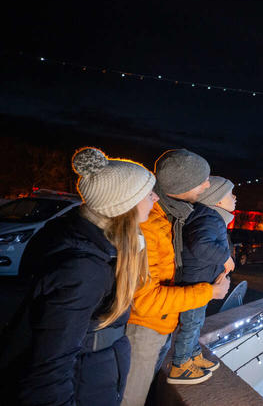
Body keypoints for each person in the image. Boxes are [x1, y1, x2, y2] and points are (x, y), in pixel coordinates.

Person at [1, 147, 157, 405]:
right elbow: (48, 371)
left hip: (94, 377)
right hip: (84, 386)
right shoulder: (84, 268)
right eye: (147, 192)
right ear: (123, 204)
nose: (155, 198)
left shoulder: (99, 247)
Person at [121, 150, 230, 405]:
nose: (207, 184)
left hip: (160, 323)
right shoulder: (149, 222)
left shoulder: (175, 214)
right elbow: (145, 299)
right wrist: (209, 292)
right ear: (181, 185)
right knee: (130, 398)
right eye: (201, 180)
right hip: (145, 328)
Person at [169, 176, 236, 383]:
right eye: (229, 194)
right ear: (217, 200)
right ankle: (180, 365)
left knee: (196, 322)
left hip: (202, 281)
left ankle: (193, 354)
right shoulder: (209, 217)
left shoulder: (213, 217)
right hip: (195, 281)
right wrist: (224, 257)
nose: (234, 197)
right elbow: (201, 245)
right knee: (191, 323)